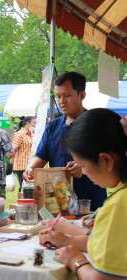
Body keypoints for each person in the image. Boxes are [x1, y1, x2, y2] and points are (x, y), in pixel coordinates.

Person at [44, 108, 127, 279]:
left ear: (106, 160)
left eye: (82, 165)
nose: (83, 172)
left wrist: (75, 260)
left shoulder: (118, 205)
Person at [23, 72, 106, 210]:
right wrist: (31, 168)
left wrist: (84, 167)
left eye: (67, 96)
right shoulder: (53, 126)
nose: (62, 101)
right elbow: (41, 155)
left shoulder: (96, 123)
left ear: (82, 95)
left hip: (90, 200)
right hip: (58, 200)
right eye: (59, 96)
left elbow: (107, 158)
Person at [12, 116, 36, 191]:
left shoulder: (33, 134)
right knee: (24, 188)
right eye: (34, 123)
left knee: (31, 187)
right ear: (27, 123)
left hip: (31, 165)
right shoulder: (20, 134)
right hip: (22, 166)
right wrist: (11, 162)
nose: (35, 125)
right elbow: (13, 149)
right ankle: (22, 201)